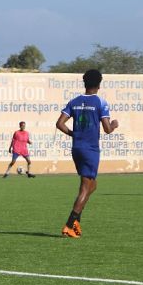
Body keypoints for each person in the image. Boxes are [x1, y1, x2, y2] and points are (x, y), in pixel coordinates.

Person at [55, 70, 118, 238]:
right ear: (99, 84)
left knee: (91, 185)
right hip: (90, 149)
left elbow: (59, 123)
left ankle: (76, 223)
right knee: (86, 187)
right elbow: (107, 129)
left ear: (85, 83)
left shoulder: (74, 101)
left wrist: (73, 134)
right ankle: (69, 225)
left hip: (77, 148)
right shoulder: (100, 102)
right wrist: (114, 124)